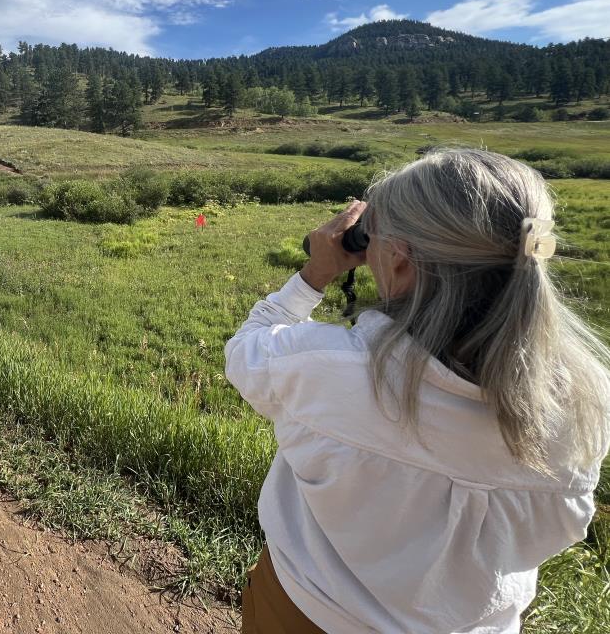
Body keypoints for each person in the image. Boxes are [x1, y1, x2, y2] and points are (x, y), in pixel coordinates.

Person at [224, 148, 610, 634]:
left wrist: (315, 274)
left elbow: (245, 351)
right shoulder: (587, 402)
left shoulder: (330, 369)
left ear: (401, 259)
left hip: (306, 614)